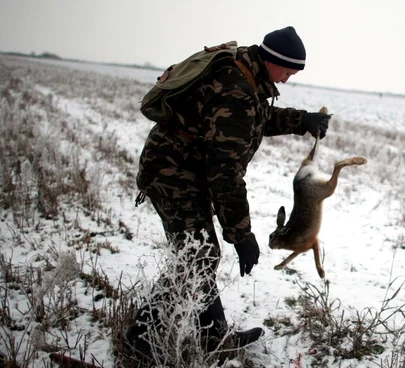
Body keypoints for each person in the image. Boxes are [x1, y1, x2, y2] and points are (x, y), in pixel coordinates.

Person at [124, 26, 330, 362]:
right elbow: (225, 175)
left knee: (199, 253)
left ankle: (213, 335)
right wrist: (241, 235)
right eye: (288, 71)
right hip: (172, 174)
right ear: (273, 60)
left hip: (183, 170)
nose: (287, 80)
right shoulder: (236, 89)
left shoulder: (244, 73)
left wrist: (302, 120)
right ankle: (141, 336)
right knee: (198, 255)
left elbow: (257, 117)